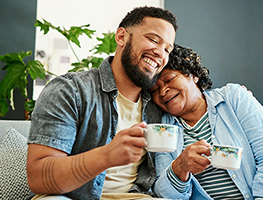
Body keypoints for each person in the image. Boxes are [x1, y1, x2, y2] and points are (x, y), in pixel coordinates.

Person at [26, 6, 177, 200]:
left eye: (167, 49)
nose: (160, 53)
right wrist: (106, 156)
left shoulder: (159, 104)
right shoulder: (70, 90)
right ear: (121, 37)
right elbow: (38, 177)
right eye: (153, 40)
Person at [150, 44, 263, 200]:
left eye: (169, 79)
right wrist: (180, 167)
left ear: (193, 75)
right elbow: (165, 194)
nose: (162, 91)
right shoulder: (163, 129)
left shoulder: (234, 98)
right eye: (154, 90)